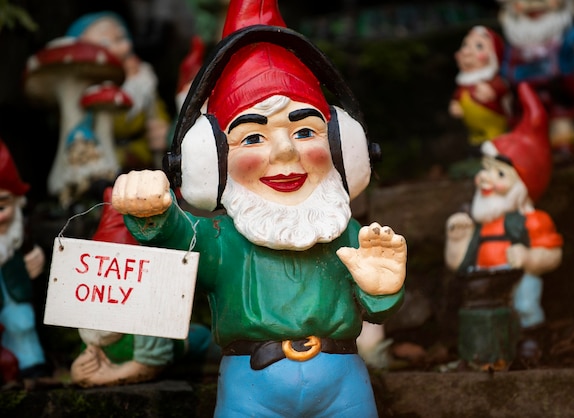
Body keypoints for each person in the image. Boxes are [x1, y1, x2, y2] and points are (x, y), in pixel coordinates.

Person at [110, 0, 407, 415]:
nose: (285, 152)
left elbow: (379, 307)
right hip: (251, 388)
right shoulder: (222, 239)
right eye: (252, 138)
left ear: (342, 144)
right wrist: (153, 211)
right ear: (209, 160)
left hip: (343, 383)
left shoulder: (348, 233)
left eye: (305, 130)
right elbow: (177, 240)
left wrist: (383, 291)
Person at [445, 83, 563, 365]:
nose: (485, 179)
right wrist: (458, 241)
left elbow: (552, 253)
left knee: (524, 303)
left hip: (516, 277)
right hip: (484, 283)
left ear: (521, 186)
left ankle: (530, 340)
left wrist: (530, 256)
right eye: (484, 170)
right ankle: (481, 350)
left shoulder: (531, 220)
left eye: (499, 173)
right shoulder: (479, 222)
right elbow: (459, 262)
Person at [70, 187, 220, 388]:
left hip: (187, 343)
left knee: (207, 344)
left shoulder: (143, 317)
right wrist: (78, 369)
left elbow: (149, 365)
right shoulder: (92, 322)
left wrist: (102, 378)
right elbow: (87, 357)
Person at [497, 0, 574, 158]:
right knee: (528, 132)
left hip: (561, 96)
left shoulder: (570, 38)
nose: (533, 4)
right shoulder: (514, 46)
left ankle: (565, 147)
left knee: (563, 131)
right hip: (525, 100)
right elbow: (505, 72)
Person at [66, 11, 171, 171]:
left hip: (143, 156)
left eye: (121, 39)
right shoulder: (86, 93)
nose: (121, 48)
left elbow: (158, 115)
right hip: (102, 161)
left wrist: (165, 133)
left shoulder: (143, 83)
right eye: (105, 43)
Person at [0, 139, 48, 378]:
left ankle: (31, 364)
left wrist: (34, 258)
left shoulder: (18, 238)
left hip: (14, 296)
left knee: (21, 321)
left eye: (1, 208)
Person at [449, 26, 511, 151]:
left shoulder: (493, 80)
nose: (467, 52)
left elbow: (502, 90)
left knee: (495, 143)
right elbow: (458, 96)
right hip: (474, 130)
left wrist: (492, 92)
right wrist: (455, 104)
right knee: (475, 147)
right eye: (465, 45)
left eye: (478, 46)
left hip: (494, 126)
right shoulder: (463, 83)